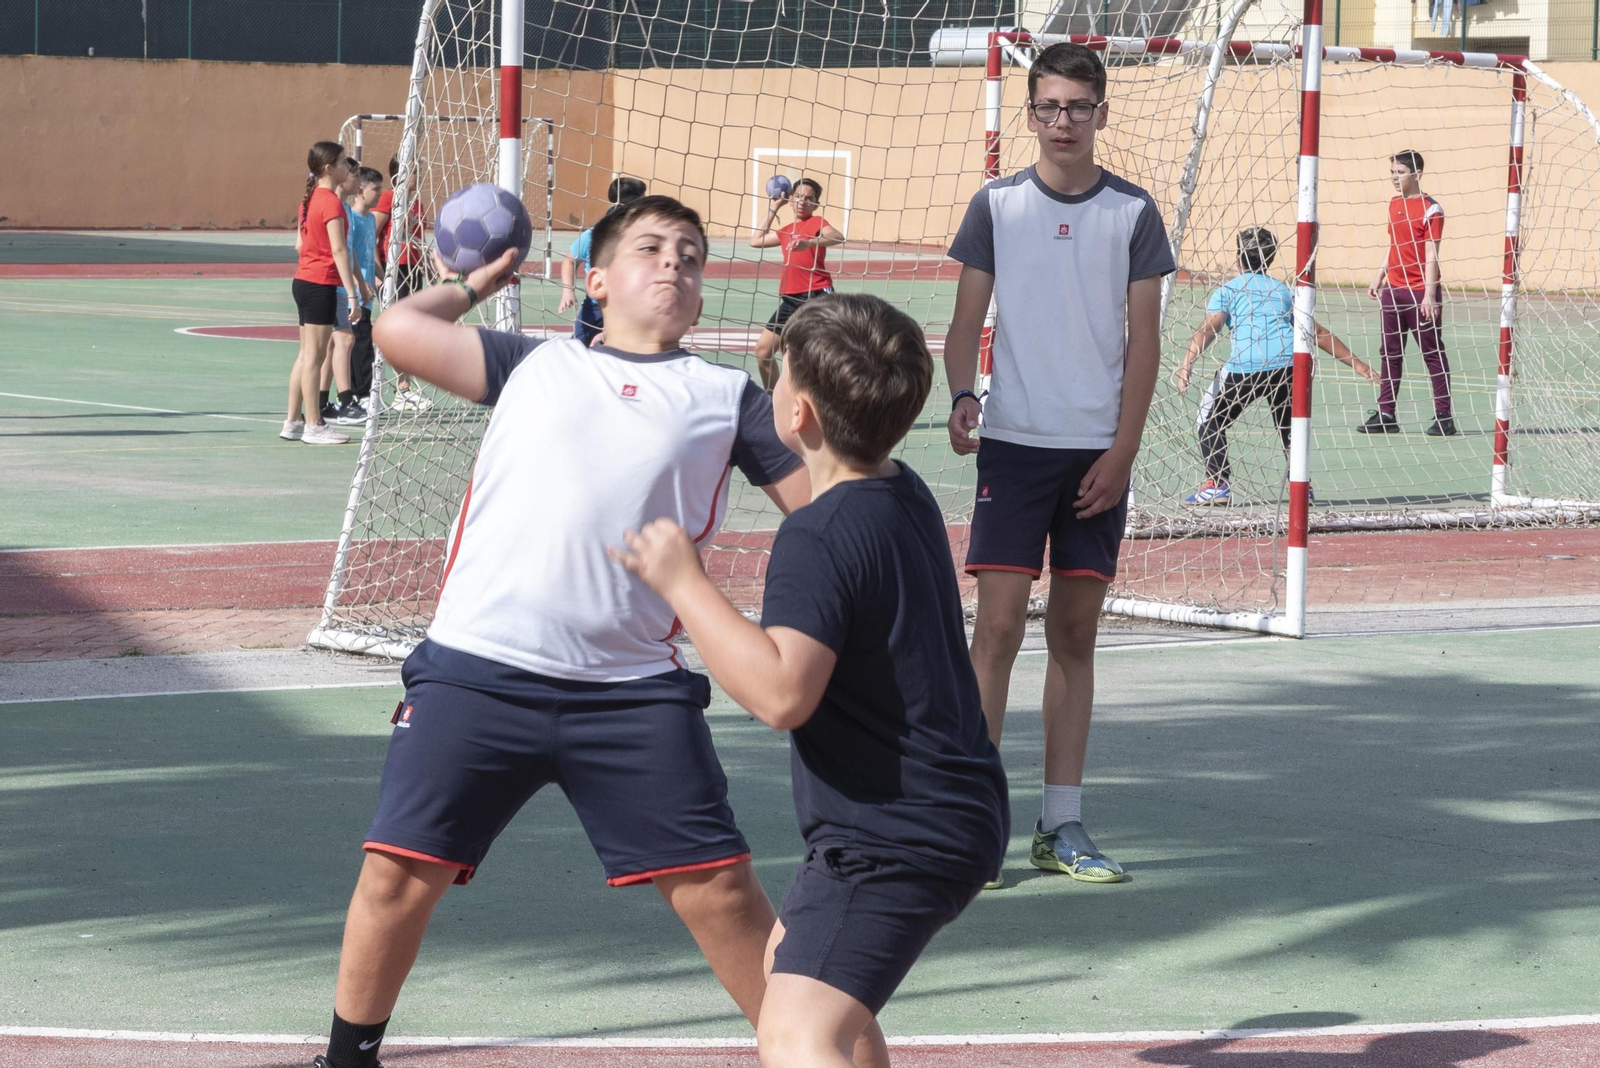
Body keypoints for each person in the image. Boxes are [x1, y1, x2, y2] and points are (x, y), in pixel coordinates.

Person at [311, 196, 874, 1068]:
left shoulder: (727, 398)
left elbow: (832, 512)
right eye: (650, 249)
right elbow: (396, 330)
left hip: (631, 694)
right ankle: (347, 1057)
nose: (675, 265)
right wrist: (472, 282)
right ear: (597, 278)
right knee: (396, 874)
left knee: (723, 893)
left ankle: (812, 1051)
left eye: (691, 255)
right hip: (477, 673)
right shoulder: (532, 366)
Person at [614, 292, 1007, 1068]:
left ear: (797, 416)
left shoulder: (818, 536)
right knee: (811, 995)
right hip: (937, 811)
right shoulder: (901, 491)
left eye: (776, 374)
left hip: (898, 832)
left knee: (796, 1034)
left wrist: (684, 582)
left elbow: (782, 695)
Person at [944, 42, 1173, 887]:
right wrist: (964, 395)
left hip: (1096, 458)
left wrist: (1123, 451)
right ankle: (970, 826)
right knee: (996, 630)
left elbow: (1145, 341)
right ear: (1030, 114)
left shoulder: (1134, 213)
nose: (1063, 120)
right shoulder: (996, 205)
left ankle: (1062, 826)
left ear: (1102, 112)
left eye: (1079, 106)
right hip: (1014, 445)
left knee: (1075, 635)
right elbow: (967, 320)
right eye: (1049, 106)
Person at [1177, 227, 1379, 505]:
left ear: (1238, 258)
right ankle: (1302, 489)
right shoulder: (1284, 291)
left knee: (1208, 419)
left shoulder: (1228, 290)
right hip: (1289, 365)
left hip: (1247, 365)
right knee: (1290, 426)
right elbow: (1316, 332)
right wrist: (1359, 365)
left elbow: (1208, 328)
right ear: (1270, 259)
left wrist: (1187, 362)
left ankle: (1218, 483)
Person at [1360, 149, 1456, 436]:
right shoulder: (1393, 204)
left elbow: (1431, 255)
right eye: (1392, 172)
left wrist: (1429, 294)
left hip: (1419, 293)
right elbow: (1394, 247)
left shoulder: (1431, 209)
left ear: (1417, 174)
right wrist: (1379, 277)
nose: (1394, 178)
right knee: (1390, 353)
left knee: (1432, 352)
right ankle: (1386, 413)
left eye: (1400, 173)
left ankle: (1443, 416)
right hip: (1394, 291)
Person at [285, 142, 359, 446]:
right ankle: (314, 424)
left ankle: (292, 422)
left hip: (304, 282)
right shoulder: (330, 201)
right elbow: (339, 249)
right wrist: (353, 294)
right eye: (343, 162)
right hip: (319, 284)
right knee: (314, 358)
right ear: (328, 168)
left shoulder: (309, 199)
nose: (347, 166)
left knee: (306, 356)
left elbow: (300, 246)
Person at [749, 177, 845, 391]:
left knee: (815, 357)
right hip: (791, 300)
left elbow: (838, 237)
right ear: (791, 199)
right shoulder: (785, 230)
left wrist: (809, 243)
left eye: (809, 198)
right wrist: (774, 207)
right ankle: (772, 400)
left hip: (818, 297)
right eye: (799, 196)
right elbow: (755, 241)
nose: (803, 202)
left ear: (816, 204)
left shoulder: (817, 223)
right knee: (763, 352)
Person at [373, 154, 432, 412]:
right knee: (400, 329)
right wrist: (380, 273)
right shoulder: (389, 198)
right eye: (415, 171)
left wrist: (428, 266)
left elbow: (417, 240)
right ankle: (402, 391)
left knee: (413, 330)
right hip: (395, 269)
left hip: (413, 270)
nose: (419, 176)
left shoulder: (416, 202)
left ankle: (404, 387)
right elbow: (371, 236)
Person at [560, 176, 647, 346]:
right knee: (577, 349)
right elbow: (569, 261)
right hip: (595, 307)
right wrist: (567, 291)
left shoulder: (642, 237)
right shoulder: (593, 235)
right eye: (643, 200)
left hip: (628, 307)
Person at [327, 167, 383, 426]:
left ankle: (352, 395)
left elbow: (367, 253)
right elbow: (347, 253)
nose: (379, 194)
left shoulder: (369, 218)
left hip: (364, 289)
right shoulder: (347, 214)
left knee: (359, 341)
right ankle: (354, 395)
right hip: (348, 290)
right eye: (375, 189)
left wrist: (379, 276)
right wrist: (357, 283)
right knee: (354, 342)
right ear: (360, 190)